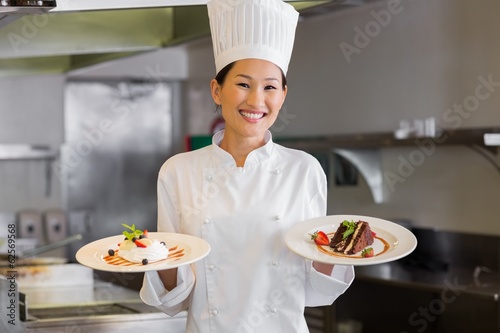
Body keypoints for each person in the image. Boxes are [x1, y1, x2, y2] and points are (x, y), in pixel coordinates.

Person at [140, 0, 355, 331]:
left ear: (283, 95)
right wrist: (155, 255)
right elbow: (174, 296)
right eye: (243, 84)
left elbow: (317, 291)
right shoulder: (178, 171)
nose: (256, 101)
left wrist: (341, 249)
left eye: (270, 87)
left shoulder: (304, 170)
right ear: (217, 90)